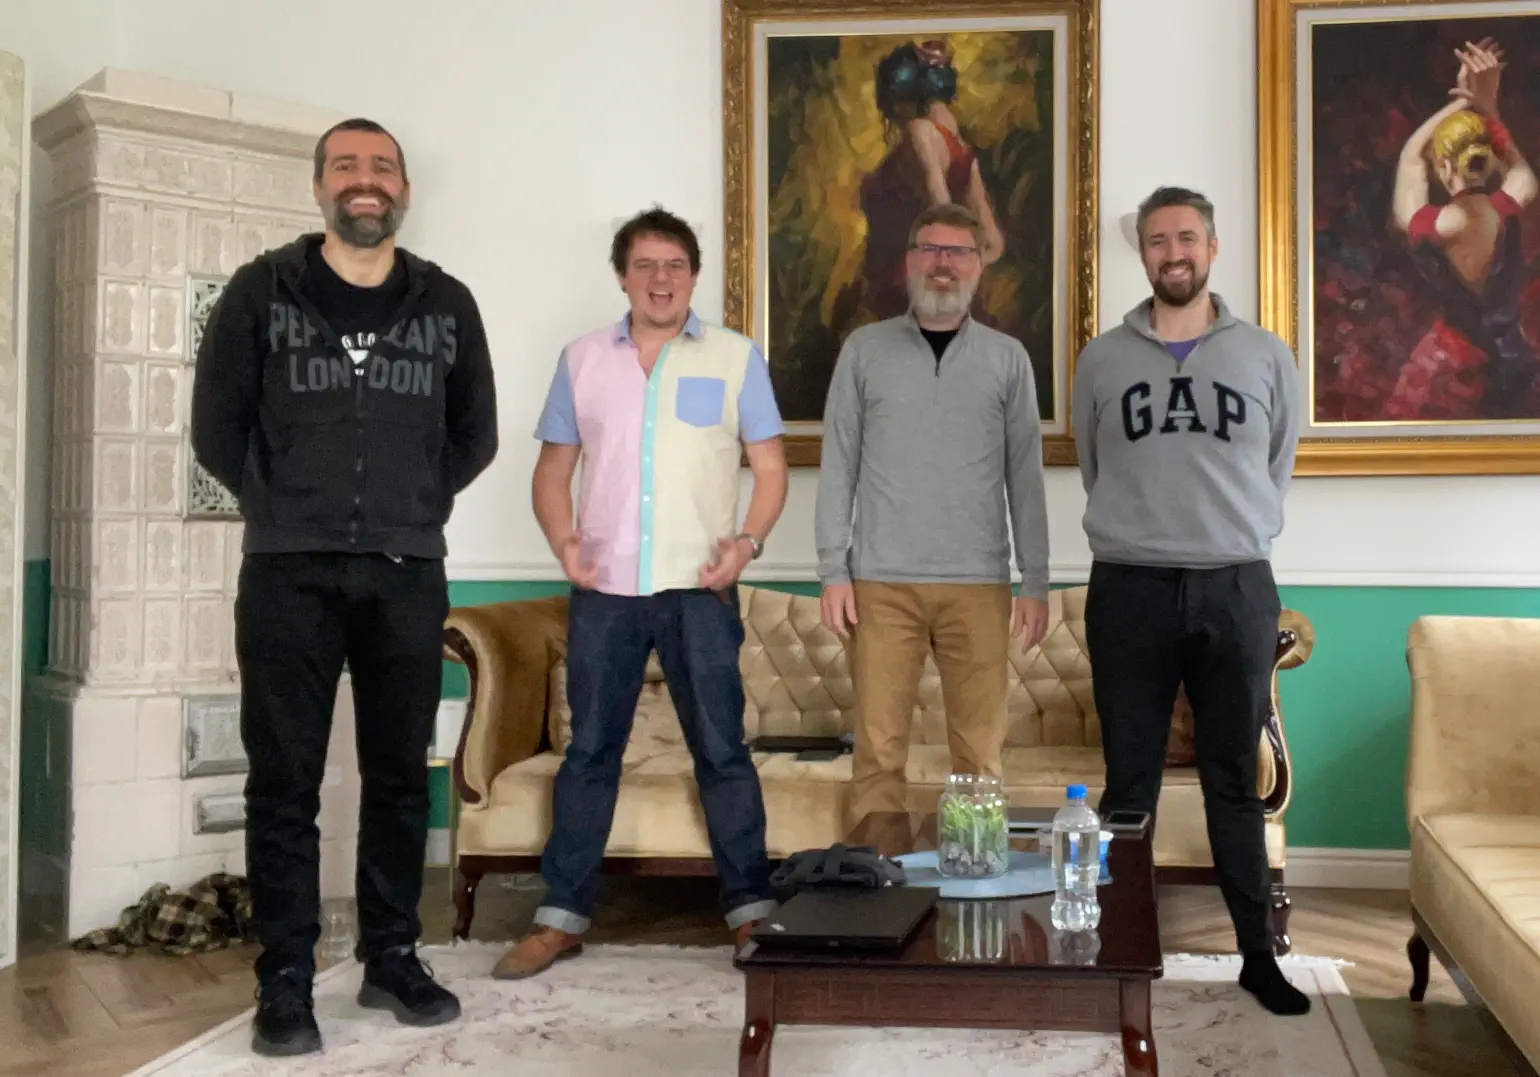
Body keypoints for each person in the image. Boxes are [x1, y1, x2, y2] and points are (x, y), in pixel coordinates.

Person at [190, 117, 499, 1056]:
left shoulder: (445, 302)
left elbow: (473, 433)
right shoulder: (259, 292)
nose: (365, 182)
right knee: (284, 782)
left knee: (401, 775)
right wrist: (287, 506)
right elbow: (217, 427)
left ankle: (392, 954)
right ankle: (284, 978)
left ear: (402, 188)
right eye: (346, 167)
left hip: (408, 573)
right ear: (319, 186)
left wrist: (411, 504)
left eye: (381, 167)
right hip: (287, 573)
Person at [493, 206, 788, 980]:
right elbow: (553, 470)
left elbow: (772, 466)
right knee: (589, 751)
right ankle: (561, 916)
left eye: (676, 266)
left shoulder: (734, 357)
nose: (661, 279)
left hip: (701, 589)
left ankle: (750, 910)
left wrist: (747, 542)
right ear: (623, 276)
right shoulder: (583, 358)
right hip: (607, 592)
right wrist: (563, 545)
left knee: (722, 752)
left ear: (695, 275)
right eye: (645, 266)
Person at [1070, 185, 1309, 1016]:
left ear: (1212, 247)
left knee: (1231, 779)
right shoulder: (1101, 358)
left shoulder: (1266, 354)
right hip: (1128, 586)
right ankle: (1118, 947)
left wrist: (1222, 533)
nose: (1173, 252)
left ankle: (1256, 958)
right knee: (1127, 781)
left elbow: (1275, 463)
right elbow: (1097, 468)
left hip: (1237, 584)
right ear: (1142, 254)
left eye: (1187, 237)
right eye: (1158, 240)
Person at [814, 201, 1051, 829]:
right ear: (909, 261)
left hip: (979, 587)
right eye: (931, 250)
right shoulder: (864, 351)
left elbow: (1025, 477)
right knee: (877, 754)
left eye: (957, 252)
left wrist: (1034, 580)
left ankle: (974, 895)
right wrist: (831, 569)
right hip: (880, 584)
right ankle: (876, 894)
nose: (943, 265)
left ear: (978, 266)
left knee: (978, 756)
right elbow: (837, 463)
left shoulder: (1008, 360)